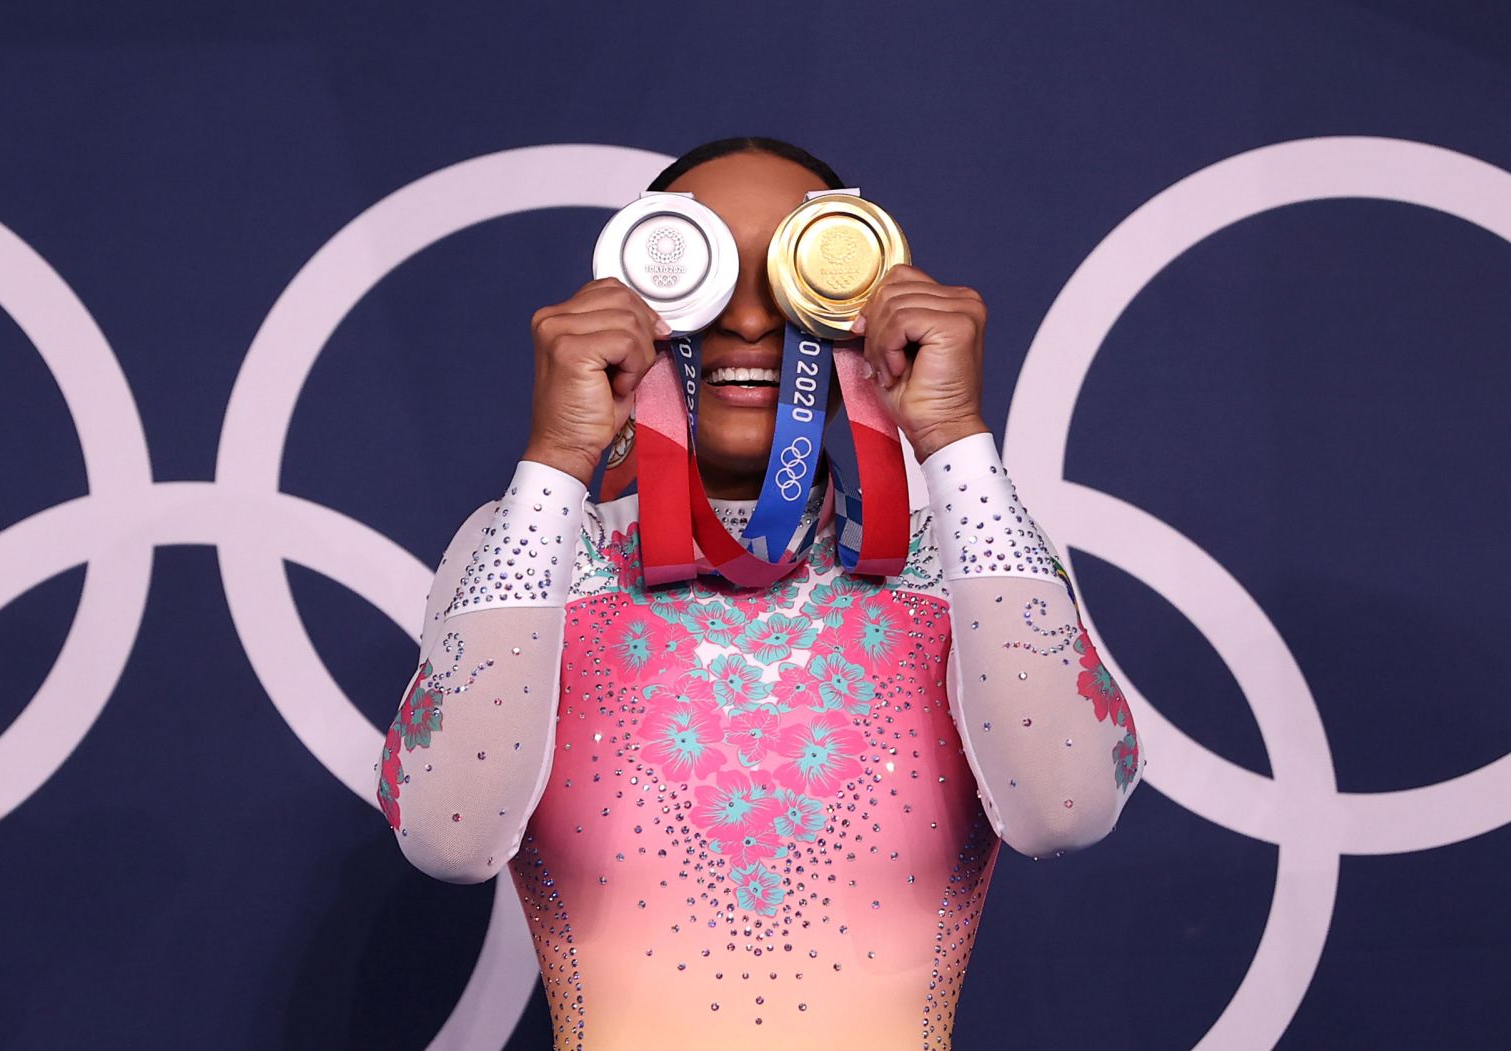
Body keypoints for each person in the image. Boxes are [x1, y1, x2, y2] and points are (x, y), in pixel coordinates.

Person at [375, 136, 1146, 1050]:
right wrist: (558, 459)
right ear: (634, 298)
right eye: (700, 274)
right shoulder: (541, 554)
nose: (748, 321)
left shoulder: (956, 558)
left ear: (862, 303)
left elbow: (1068, 808)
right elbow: (447, 834)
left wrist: (955, 438)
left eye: (796, 278)